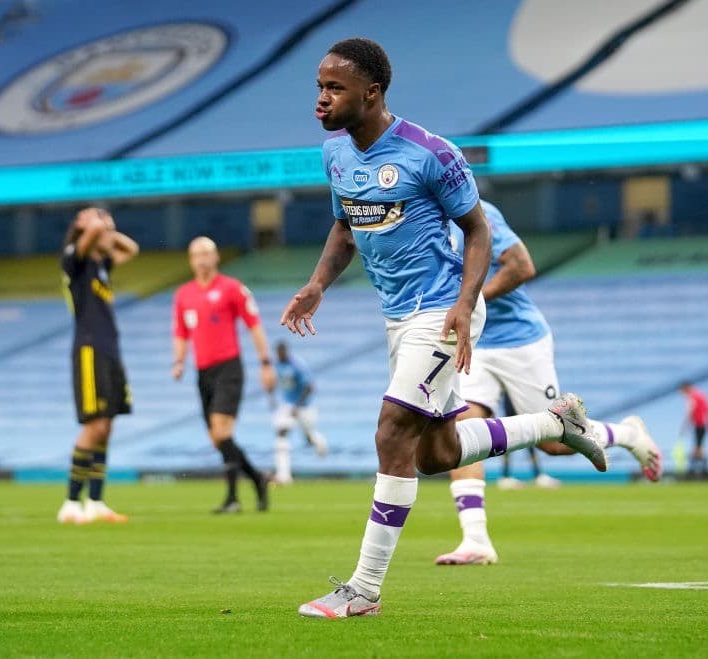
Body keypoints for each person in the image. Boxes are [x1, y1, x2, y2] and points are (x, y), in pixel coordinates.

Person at [281, 37, 607, 618]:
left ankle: (364, 589)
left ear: (372, 92)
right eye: (319, 87)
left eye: (334, 88)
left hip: (442, 308)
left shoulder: (430, 153)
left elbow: (479, 232)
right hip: (398, 316)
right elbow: (344, 228)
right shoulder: (335, 153)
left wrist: (465, 301)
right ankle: (554, 421)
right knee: (437, 453)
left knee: (391, 431)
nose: (321, 100)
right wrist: (317, 285)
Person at [435, 200, 663, 566]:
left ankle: (629, 435)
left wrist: (470, 301)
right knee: (463, 432)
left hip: (521, 341)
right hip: (474, 342)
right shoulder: (419, 216)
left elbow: (522, 266)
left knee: (555, 445)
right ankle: (475, 540)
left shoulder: (477, 211)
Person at [172, 236, 276, 513]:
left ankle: (232, 499)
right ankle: (257, 479)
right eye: (197, 254)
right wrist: (179, 361)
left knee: (221, 430)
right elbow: (181, 332)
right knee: (217, 438)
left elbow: (254, 325)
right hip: (202, 372)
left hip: (229, 368)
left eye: (207, 253)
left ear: (216, 257)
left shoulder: (232, 289)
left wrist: (266, 363)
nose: (202, 258)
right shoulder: (184, 295)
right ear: (191, 260)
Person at [57, 208, 139, 524]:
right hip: (89, 350)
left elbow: (131, 249)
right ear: (79, 226)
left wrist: (109, 229)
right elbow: (90, 234)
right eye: (97, 222)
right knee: (93, 426)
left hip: (110, 350)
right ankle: (70, 502)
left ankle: (95, 501)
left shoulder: (101, 265)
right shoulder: (73, 261)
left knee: (107, 427)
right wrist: (97, 224)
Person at [270, 340, 329, 484]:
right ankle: (283, 476)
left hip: (304, 407)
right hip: (288, 405)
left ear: (285, 351)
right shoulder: (277, 365)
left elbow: (310, 387)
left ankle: (320, 444)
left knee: (308, 437)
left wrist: (298, 405)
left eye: (281, 352)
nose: (279, 355)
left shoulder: (297, 365)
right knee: (281, 432)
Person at [680, 381, 708, 478]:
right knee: (698, 448)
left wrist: (684, 426)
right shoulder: (701, 395)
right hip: (702, 424)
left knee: (698, 449)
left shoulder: (693, 396)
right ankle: (700, 471)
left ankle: (698, 472)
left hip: (699, 424)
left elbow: (690, 411)